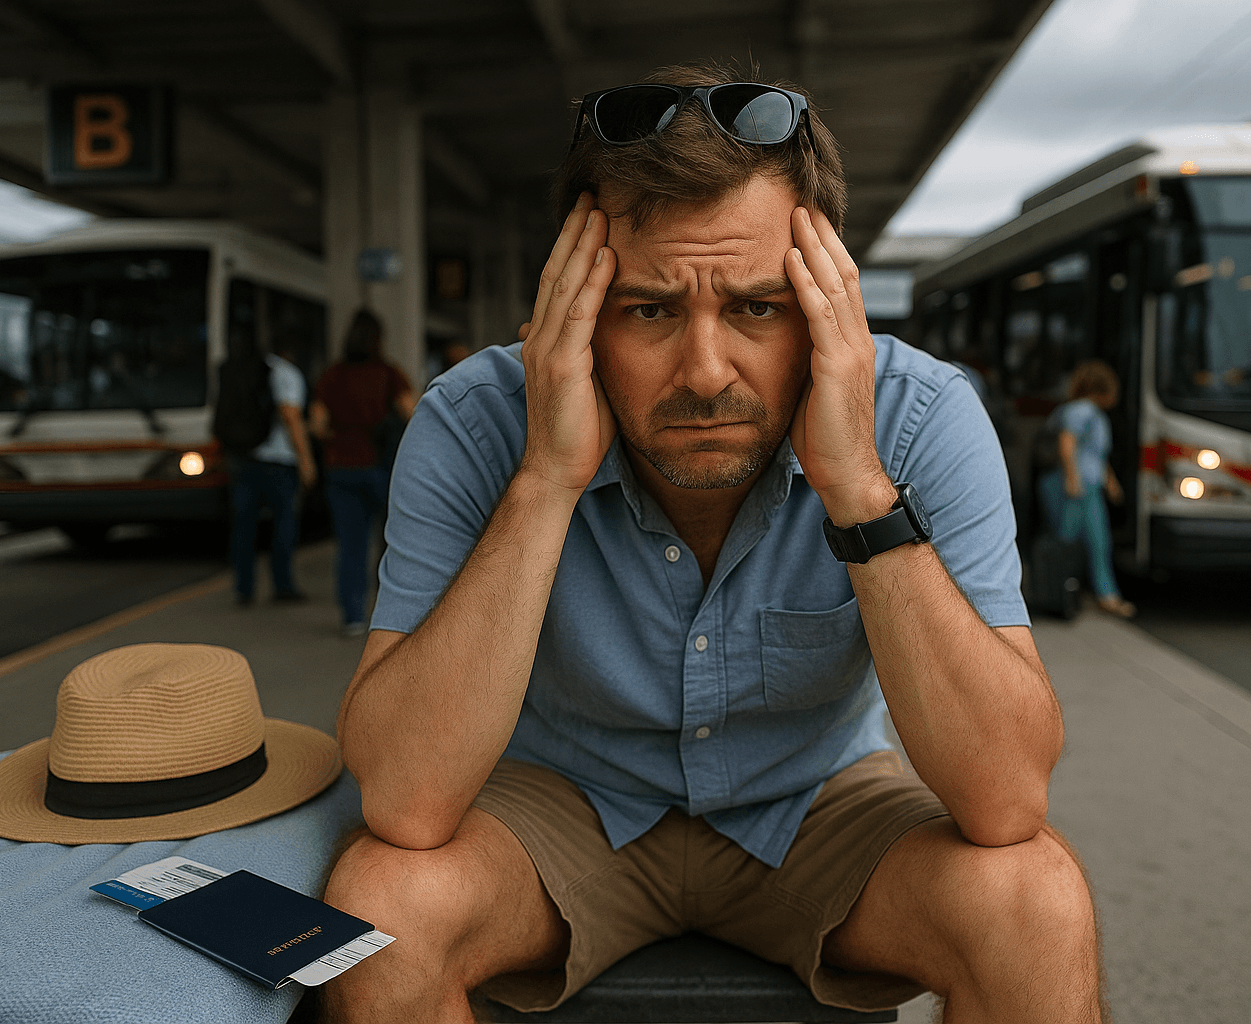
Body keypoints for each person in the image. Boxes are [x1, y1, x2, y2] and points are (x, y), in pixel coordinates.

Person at [324, 64, 1107, 1024]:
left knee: (1036, 901)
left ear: (829, 302)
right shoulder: (476, 419)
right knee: (381, 907)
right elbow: (404, 801)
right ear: (576, 303)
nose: (704, 372)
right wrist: (544, 480)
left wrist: (859, 487)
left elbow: (1006, 799)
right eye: (649, 309)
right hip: (568, 804)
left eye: (757, 308)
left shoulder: (920, 415)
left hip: (815, 801)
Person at [309, 310, 415, 636]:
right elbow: (414, 413)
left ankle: (353, 616)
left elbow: (317, 424)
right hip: (380, 467)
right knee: (392, 544)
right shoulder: (389, 373)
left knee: (350, 545)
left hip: (341, 468)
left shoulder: (332, 376)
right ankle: (389, 618)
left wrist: (341, 437)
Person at [1038, 360, 1134, 618]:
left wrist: (1109, 481)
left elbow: (1095, 454)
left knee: (1095, 541)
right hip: (1075, 488)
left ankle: (1093, 593)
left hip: (1087, 488)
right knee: (1071, 541)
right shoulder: (1082, 411)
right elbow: (1067, 444)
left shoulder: (1088, 413)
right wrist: (1072, 478)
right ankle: (1066, 592)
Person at [228, 330, 316, 606]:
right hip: (279, 462)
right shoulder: (287, 373)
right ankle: (283, 585)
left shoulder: (247, 370)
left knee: (244, 527)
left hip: (245, 457)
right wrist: (306, 459)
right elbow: (290, 416)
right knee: (283, 525)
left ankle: (244, 588)